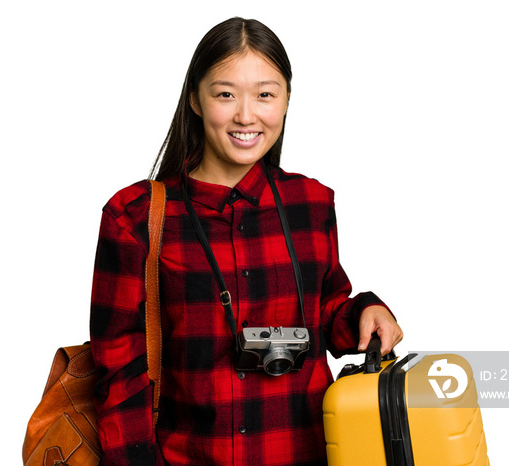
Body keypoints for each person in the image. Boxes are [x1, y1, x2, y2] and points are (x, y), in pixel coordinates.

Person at [90, 17, 403, 466]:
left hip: (306, 452)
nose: (246, 115)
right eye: (225, 94)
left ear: (287, 100)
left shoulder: (311, 203)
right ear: (195, 99)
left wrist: (364, 311)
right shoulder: (136, 217)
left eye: (265, 94)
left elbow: (328, 310)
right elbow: (119, 373)